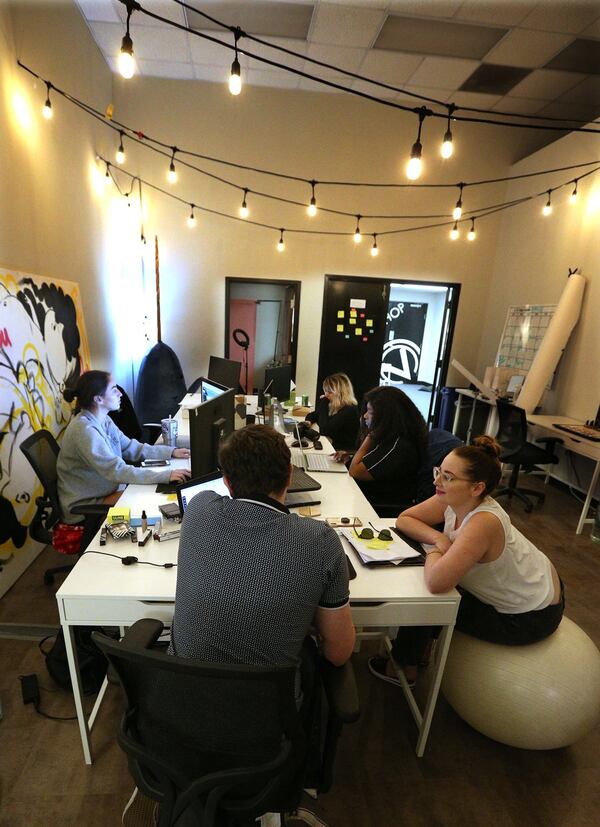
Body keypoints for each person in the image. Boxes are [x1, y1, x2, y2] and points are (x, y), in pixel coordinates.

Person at [369, 435, 564, 687]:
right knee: (432, 575)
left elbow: (436, 582)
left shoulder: (482, 522)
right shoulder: (452, 498)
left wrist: (431, 550)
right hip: (535, 579)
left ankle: (403, 668)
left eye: (448, 477)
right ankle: (419, 652)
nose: (437, 481)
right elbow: (404, 519)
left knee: (428, 597)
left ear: (477, 488)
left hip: (530, 615)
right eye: (439, 471)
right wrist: (439, 539)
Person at [57, 370, 191, 525]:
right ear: (99, 399)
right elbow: (117, 470)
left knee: (149, 496)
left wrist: (170, 452)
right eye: (114, 390)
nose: (120, 394)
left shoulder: (104, 420)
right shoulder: (84, 431)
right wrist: (166, 475)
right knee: (147, 504)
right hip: (86, 503)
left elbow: (132, 448)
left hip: (107, 489)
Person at [333, 386, 428, 512]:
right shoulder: (392, 437)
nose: (365, 416)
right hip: (363, 496)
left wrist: (371, 435)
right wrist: (350, 456)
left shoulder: (399, 446)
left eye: (370, 412)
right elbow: (372, 460)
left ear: (386, 416)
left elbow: (355, 471)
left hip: (374, 506)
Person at [305, 373, 359, 450]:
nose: (326, 395)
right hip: (330, 445)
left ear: (340, 393)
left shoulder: (349, 409)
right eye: (325, 391)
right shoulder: (333, 404)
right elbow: (314, 415)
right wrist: (308, 421)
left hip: (341, 451)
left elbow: (325, 430)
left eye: (329, 392)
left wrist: (324, 402)